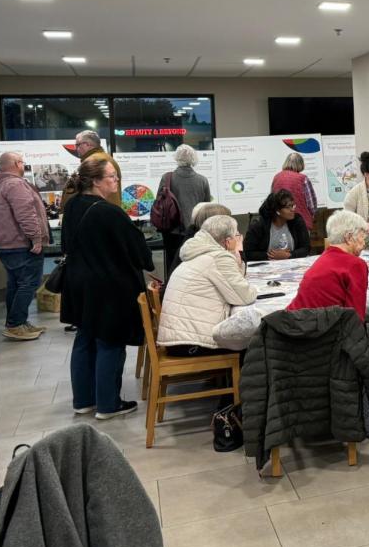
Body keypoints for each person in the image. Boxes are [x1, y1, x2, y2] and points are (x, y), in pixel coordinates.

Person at [61, 156, 154, 419]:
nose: (117, 180)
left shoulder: (73, 206)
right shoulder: (110, 212)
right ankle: (108, 403)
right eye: (112, 176)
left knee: (84, 339)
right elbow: (140, 254)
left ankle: (83, 400)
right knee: (110, 342)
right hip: (109, 286)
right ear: (96, 181)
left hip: (78, 283)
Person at [157, 214, 258, 355]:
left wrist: (236, 257)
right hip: (191, 342)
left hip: (179, 338)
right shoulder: (218, 257)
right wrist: (239, 252)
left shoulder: (200, 252)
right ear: (228, 241)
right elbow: (244, 296)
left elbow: (235, 284)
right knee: (255, 344)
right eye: (237, 235)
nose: (239, 238)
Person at [0, 151, 50, 339]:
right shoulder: (15, 184)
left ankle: (17, 322)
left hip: (6, 243)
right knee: (30, 283)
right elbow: (26, 214)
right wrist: (36, 238)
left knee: (15, 284)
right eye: (22, 162)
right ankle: (15, 325)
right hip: (20, 243)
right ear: (16, 163)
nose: (24, 165)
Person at [288, 210, 369, 321]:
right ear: (349, 237)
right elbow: (355, 317)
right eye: (362, 237)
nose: (364, 243)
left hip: (295, 322)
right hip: (317, 328)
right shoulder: (355, 264)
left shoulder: (324, 257)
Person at [158, 144, 212, 282]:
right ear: (194, 159)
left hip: (172, 230)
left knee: (172, 264)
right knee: (194, 264)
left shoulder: (167, 178)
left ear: (176, 158)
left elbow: (159, 202)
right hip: (195, 230)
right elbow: (206, 206)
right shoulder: (202, 180)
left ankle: (170, 289)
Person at [244, 189, 311, 261]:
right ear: (277, 211)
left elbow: (306, 248)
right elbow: (248, 253)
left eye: (293, 205)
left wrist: (289, 255)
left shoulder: (297, 220)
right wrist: (272, 255)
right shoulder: (259, 225)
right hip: (267, 265)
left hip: (293, 263)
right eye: (288, 207)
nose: (292, 209)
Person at [61, 130, 121, 209]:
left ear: (87, 144)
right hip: (110, 208)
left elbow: (76, 190)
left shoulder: (92, 162)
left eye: (77, 145)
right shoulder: (108, 159)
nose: (76, 148)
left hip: (98, 210)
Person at [272, 152, 319, 234]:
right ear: (301, 164)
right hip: (300, 223)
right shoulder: (303, 179)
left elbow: (271, 199)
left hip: (280, 222)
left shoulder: (276, 177)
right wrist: (312, 216)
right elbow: (311, 204)